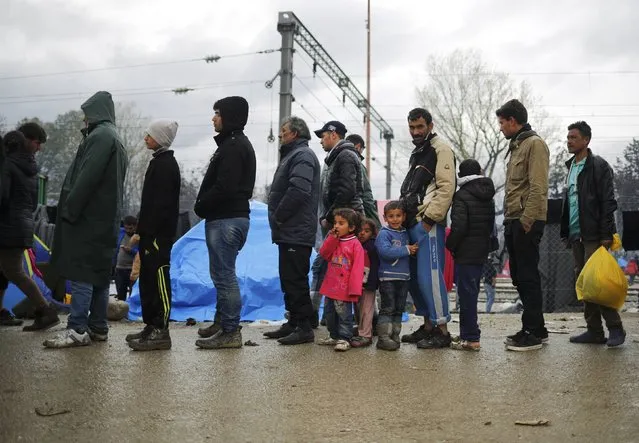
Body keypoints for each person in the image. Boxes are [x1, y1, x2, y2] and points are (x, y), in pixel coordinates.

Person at [44, 91, 128, 348]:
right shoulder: (116, 139)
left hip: (88, 218)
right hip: (105, 219)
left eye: (87, 115)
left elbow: (87, 178)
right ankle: (98, 328)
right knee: (100, 276)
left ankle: (77, 329)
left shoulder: (100, 136)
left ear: (96, 113)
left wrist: (69, 210)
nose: (84, 120)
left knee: (82, 274)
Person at [194, 96, 256, 350]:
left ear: (229, 116)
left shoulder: (232, 146)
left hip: (226, 219)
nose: (213, 118)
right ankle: (222, 323)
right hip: (231, 218)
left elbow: (225, 187)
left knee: (224, 276)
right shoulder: (234, 144)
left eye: (217, 113)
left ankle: (230, 331)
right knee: (222, 275)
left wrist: (201, 205)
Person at [560, 121, 625, 347]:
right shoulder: (570, 167)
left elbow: (608, 201)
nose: (569, 141)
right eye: (568, 137)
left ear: (586, 140)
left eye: (573, 137)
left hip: (594, 235)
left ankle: (615, 328)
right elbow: (570, 203)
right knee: (584, 283)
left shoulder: (598, 166)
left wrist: (606, 233)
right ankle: (594, 330)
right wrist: (566, 231)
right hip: (576, 235)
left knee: (598, 283)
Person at [399, 108, 456, 349]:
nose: (415, 132)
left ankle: (442, 330)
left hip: (428, 224)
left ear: (430, 125)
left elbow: (446, 187)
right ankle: (428, 326)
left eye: (420, 127)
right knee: (417, 279)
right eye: (412, 127)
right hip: (414, 222)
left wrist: (430, 219)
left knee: (430, 277)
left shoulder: (440, 148)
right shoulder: (419, 151)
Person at [497, 99, 550, 352]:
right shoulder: (517, 145)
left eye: (501, 122)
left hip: (525, 220)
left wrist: (527, 220)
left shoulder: (534, 144)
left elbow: (538, 186)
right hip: (513, 218)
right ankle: (537, 327)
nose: (500, 128)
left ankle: (532, 333)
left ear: (512, 121)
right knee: (519, 276)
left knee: (528, 276)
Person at [263, 116, 320, 345]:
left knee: (295, 279)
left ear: (294, 134)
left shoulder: (302, 155)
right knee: (288, 278)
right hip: (289, 230)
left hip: (296, 229)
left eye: (283, 131)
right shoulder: (292, 156)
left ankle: (305, 327)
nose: (280, 135)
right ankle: (294, 321)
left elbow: (299, 190)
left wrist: (279, 216)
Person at [126, 119, 181, 351]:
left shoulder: (167, 164)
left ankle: (161, 329)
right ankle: (150, 325)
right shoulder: (157, 162)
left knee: (159, 280)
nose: (145, 138)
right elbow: (148, 203)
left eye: (149, 134)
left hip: (159, 235)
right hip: (149, 234)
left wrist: (151, 231)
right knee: (147, 281)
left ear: (160, 138)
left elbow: (161, 206)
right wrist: (140, 231)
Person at [0, 128, 59, 330]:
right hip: (23, 225)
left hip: (8, 226)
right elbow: (34, 204)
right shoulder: (31, 167)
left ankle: (45, 309)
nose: (39, 148)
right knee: (4, 270)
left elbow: (3, 197)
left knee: (14, 271)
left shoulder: (8, 165)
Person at [310, 121, 364, 328]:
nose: (321, 140)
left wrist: (330, 217)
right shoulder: (336, 157)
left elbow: (347, 191)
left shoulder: (345, 156)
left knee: (343, 270)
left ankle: (360, 323)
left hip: (345, 222)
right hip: (340, 220)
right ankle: (326, 317)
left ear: (333, 134)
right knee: (327, 268)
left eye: (323, 136)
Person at [446, 159, 496, 351]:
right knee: (472, 292)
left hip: (466, 251)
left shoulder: (462, 195)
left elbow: (459, 227)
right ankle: (470, 332)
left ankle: (471, 338)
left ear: (461, 174)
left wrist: (450, 245)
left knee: (466, 295)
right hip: (481, 250)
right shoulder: (488, 194)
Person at [316, 208, 365, 352]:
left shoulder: (355, 245)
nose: (336, 226)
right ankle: (333, 335)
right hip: (331, 286)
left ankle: (345, 338)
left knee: (344, 315)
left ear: (352, 227)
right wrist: (331, 237)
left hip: (344, 289)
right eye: (335, 222)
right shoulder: (334, 239)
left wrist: (354, 290)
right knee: (330, 314)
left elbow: (357, 269)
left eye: (341, 223)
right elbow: (324, 253)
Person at [375, 201, 416, 351]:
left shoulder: (405, 233)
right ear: (385, 218)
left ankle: (395, 335)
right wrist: (406, 249)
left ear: (404, 216)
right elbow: (385, 253)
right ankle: (383, 338)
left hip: (404, 278)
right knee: (388, 308)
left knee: (399, 308)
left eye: (398, 215)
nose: (395, 219)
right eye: (391, 216)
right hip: (388, 278)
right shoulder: (384, 233)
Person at [350, 217, 379, 348]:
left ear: (372, 233)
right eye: (360, 230)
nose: (362, 233)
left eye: (366, 231)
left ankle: (366, 335)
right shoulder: (357, 245)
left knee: (367, 309)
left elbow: (375, 266)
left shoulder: (372, 246)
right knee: (358, 309)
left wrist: (372, 283)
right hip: (358, 284)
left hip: (368, 284)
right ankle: (361, 329)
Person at [345, 134, 381, 227]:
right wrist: (376, 224)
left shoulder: (334, 161)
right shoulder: (358, 165)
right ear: (358, 147)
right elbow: (366, 196)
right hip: (357, 216)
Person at [113, 216, 138, 301]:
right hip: (119, 269)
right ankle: (121, 312)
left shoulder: (138, 237)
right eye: (126, 228)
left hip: (132, 270)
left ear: (135, 226)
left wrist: (131, 250)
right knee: (120, 295)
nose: (128, 230)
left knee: (133, 295)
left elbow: (141, 252)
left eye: (130, 228)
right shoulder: (121, 233)